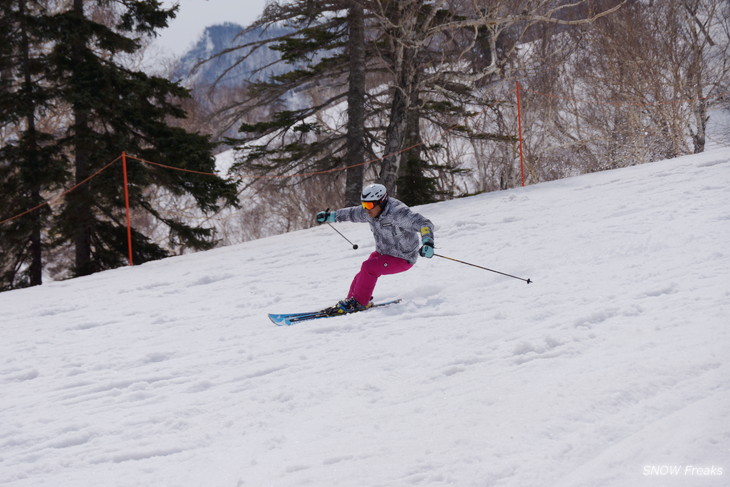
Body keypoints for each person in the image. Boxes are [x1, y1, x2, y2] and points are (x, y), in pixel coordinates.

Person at [316, 183, 435, 314]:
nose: (366, 209)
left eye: (369, 205)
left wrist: (428, 242)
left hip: (403, 257)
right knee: (363, 274)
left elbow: (424, 223)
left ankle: (358, 302)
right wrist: (331, 216)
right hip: (384, 253)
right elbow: (352, 213)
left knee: (369, 267)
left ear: (382, 201)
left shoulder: (398, 213)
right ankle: (351, 301)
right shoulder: (371, 211)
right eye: (364, 205)